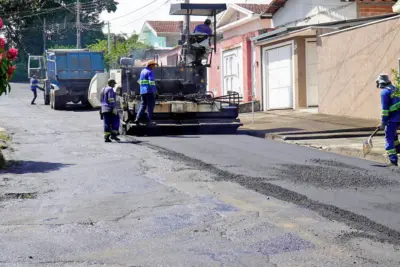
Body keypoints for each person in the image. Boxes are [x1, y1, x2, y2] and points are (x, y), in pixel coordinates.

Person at [377, 73, 400, 166]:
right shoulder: (396, 89)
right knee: (394, 136)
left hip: (392, 119)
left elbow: (385, 110)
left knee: (388, 138)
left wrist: (383, 122)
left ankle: (393, 159)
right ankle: (398, 148)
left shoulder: (385, 92)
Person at [134, 60, 158, 125]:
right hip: (149, 91)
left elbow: (139, 81)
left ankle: (137, 118)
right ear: (150, 65)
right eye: (153, 65)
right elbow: (151, 82)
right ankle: (149, 121)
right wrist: (155, 91)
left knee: (143, 105)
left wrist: (143, 88)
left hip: (142, 92)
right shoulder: (150, 72)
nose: (154, 66)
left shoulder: (142, 71)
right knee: (150, 106)